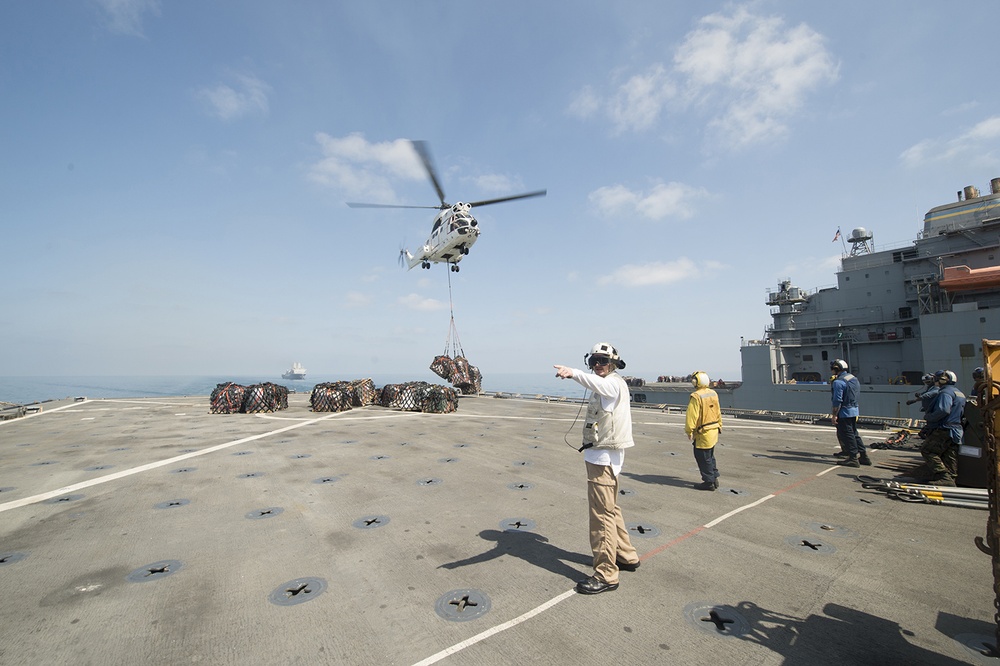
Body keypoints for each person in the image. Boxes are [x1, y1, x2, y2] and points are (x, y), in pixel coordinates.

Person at [554, 342, 640, 595]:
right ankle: (626, 555)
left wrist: (573, 373)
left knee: (601, 517)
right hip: (602, 456)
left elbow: (601, 385)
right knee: (610, 509)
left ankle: (606, 574)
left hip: (602, 460)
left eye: (602, 361)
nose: (597, 366)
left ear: (613, 363)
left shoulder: (612, 383)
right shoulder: (609, 383)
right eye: (593, 361)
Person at [919, 370, 967, 486]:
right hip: (956, 429)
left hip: (944, 428)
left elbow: (944, 410)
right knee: (949, 454)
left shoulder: (945, 392)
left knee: (927, 450)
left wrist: (929, 417)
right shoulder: (959, 392)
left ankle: (943, 475)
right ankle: (950, 478)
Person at [830, 359, 871, 467]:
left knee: (848, 435)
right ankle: (864, 456)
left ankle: (853, 458)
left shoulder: (838, 382)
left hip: (844, 412)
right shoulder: (853, 378)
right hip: (854, 410)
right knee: (854, 433)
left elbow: (837, 400)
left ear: (836, 369)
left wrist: (834, 415)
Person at [686, 371, 722, 490]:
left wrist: (689, 430)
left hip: (703, 432)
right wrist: (719, 425)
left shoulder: (696, 396)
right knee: (710, 456)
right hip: (714, 430)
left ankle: (708, 482)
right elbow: (718, 411)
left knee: (702, 457)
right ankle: (714, 477)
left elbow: (692, 415)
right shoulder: (713, 393)